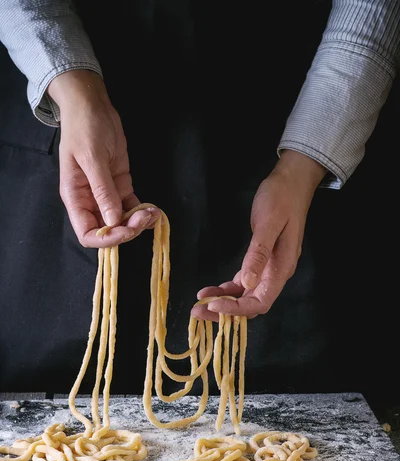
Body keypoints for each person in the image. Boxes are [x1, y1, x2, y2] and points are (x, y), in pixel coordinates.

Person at [0, 1, 399, 400]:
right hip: (68, 123)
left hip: (285, 133)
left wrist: (304, 164)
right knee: (54, 385)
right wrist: (72, 88)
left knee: (281, 390)